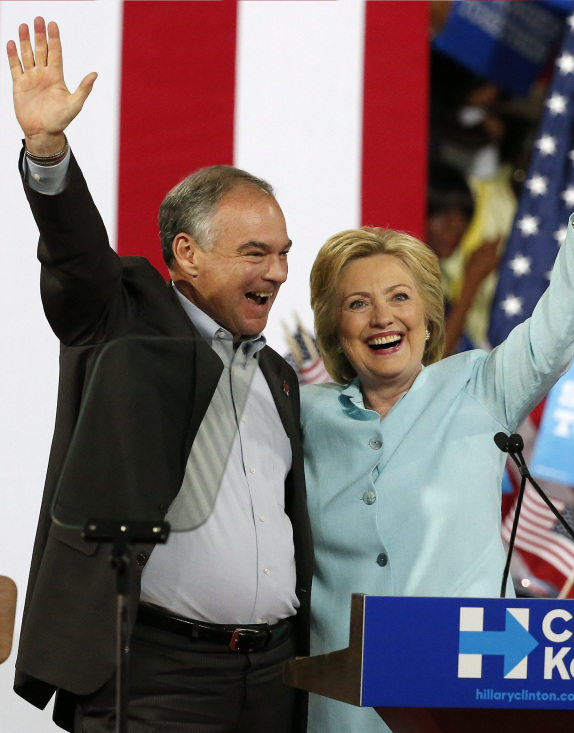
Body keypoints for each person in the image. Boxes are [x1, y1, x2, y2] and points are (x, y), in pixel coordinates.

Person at [7, 17, 312, 733]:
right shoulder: (126, 321)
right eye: (255, 252)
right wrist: (47, 151)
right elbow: (76, 257)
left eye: (283, 252)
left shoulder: (279, 373)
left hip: (273, 675)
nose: (277, 272)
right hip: (156, 676)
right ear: (188, 254)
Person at [301, 122, 574, 732]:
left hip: (460, 706)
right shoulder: (302, 415)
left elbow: (554, 330)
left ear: (428, 316)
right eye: (357, 303)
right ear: (336, 330)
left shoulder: (479, 385)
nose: (382, 318)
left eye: (400, 297)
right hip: (339, 712)